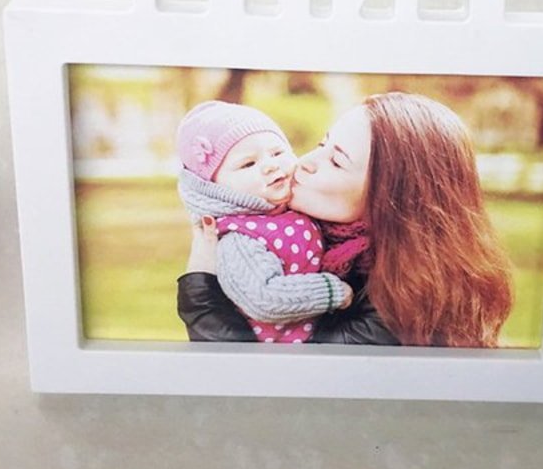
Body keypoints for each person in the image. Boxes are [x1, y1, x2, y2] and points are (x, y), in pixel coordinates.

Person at [178, 91, 513, 347]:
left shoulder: (397, 310)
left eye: (336, 161)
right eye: (322, 143)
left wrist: (201, 290)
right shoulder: (321, 245)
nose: (305, 161)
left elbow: (272, 384)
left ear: (393, 196)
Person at [176, 100, 352, 344]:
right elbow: (263, 298)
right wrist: (332, 290)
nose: (270, 166)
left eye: (277, 153)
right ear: (215, 188)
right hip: (277, 355)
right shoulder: (240, 239)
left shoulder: (293, 209)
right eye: (248, 164)